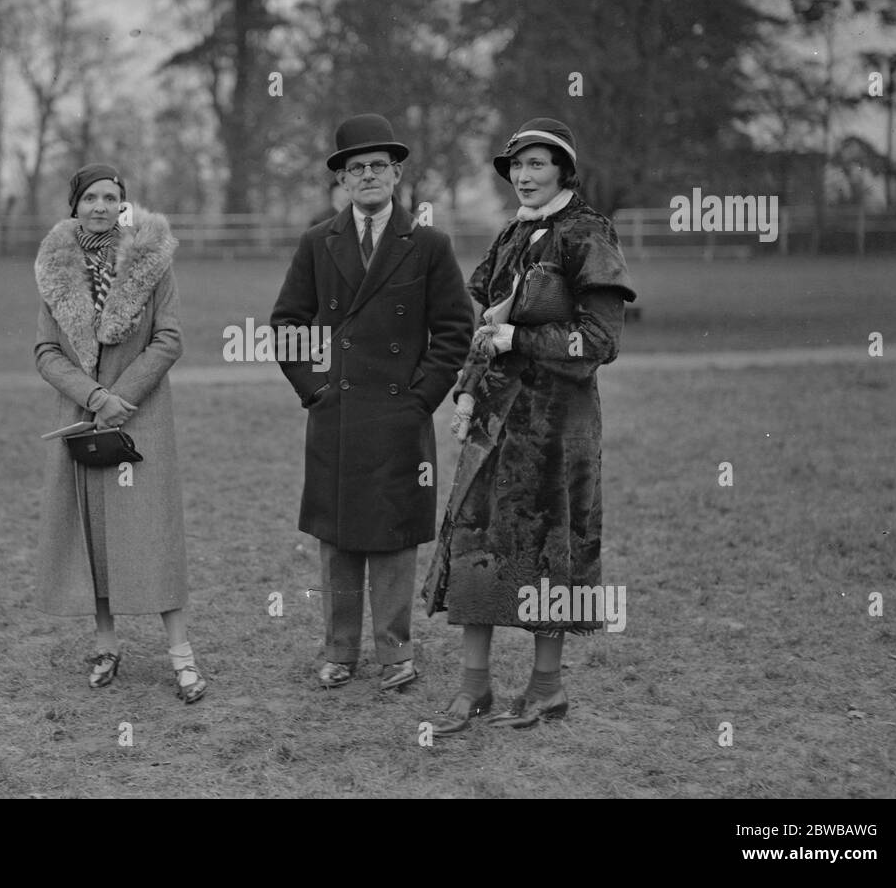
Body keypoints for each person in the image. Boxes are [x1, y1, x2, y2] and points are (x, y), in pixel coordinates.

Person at [422, 118, 636, 734]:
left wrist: (523, 336)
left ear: (564, 171)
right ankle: (474, 689)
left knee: (550, 549)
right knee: (475, 542)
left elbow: (600, 341)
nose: (524, 175)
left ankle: (547, 690)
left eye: (538, 164)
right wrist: (465, 391)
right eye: (517, 165)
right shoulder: (515, 232)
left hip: (557, 428)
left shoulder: (587, 234)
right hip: (495, 419)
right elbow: (482, 325)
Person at [271, 113, 473, 691]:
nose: (367, 176)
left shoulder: (429, 244)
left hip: (399, 414)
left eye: (377, 166)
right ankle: (339, 651)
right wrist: (315, 390)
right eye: (355, 168)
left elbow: (456, 328)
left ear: (396, 173)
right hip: (336, 414)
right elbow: (287, 324)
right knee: (336, 538)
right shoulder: (317, 242)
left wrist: (421, 398)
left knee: (393, 537)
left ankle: (395, 653)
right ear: (342, 179)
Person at [33, 162, 206, 703]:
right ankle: (106, 645)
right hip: (83, 419)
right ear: (75, 206)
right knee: (95, 534)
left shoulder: (153, 263)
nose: (101, 207)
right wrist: (94, 399)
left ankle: (181, 654)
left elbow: (169, 340)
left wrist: (121, 397)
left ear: (124, 204)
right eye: (91, 198)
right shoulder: (53, 268)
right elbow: (46, 351)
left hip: (142, 416)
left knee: (153, 533)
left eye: (111, 197)